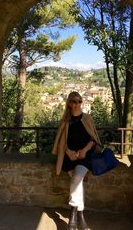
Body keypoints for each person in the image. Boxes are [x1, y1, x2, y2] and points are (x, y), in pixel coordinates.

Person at [52, 91, 101, 230]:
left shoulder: (87, 118)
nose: (77, 104)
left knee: (77, 178)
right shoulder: (65, 121)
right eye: (74, 101)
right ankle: (80, 215)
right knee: (77, 184)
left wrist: (84, 151)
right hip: (69, 157)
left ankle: (72, 216)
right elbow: (61, 142)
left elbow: (93, 139)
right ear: (69, 103)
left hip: (85, 156)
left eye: (79, 101)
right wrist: (68, 152)